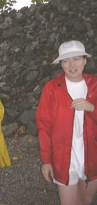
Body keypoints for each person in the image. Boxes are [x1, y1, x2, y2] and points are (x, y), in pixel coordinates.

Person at [35, 40, 97, 205]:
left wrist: (92, 108)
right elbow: (44, 127)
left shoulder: (95, 85)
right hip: (63, 158)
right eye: (66, 60)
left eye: (76, 59)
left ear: (85, 60)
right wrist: (46, 161)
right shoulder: (51, 88)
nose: (72, 64)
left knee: (85, 200)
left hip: (92, 155)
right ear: (61, 64)